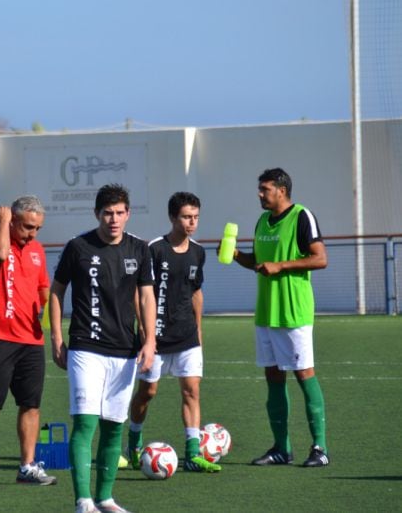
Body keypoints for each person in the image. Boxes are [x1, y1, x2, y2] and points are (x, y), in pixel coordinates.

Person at [49, 184, 156, 513]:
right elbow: (56, 292)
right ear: (97, 213)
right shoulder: (77, 246)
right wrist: (56, 338)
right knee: (86, 424)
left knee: (114, 425)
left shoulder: (139, 249)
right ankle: (83, 500)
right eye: (107, 212)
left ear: (128, 214)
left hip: (125, 350)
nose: (114, 219)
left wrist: (150, 340)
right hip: (85, 348)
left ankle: (105, 498)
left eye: (120, 212)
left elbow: (146, 296)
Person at [231, 167, 330, 467]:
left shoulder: (302, 216)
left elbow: (320, 258)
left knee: (303, 374)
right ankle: (281, 449)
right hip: (266, 312)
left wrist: (281, 266)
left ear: (282, 190)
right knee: (273, 377)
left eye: (265, 189)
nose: (260, 195)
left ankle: (320, 449)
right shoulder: (262, 220)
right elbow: (260, 263)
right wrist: (237, 256)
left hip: (293, 312)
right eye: (260, 190)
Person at [125, 192, 221, 473]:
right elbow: (139, 292)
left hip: (187, 336)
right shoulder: (154, 249)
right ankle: (134, 443)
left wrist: (199, 330)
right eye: (186, 217)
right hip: (156, 338)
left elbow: (196, 293)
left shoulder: (198, 252)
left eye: (195, 217)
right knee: (148, 392)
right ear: (172, 217)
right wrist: (144, 330)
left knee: (191, 390)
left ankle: (192, 453)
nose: (192, 222)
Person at [0, 196, 56, 486]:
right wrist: (3, 222)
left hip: (31, 340)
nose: (33, 234)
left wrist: (45, 322)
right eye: (28, 227)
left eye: (38, 228)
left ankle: (27, 466)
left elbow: (43, 289)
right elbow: (0, 255)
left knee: (31, 404)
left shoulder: (37, 250)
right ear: (12, 220)